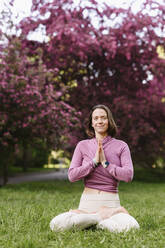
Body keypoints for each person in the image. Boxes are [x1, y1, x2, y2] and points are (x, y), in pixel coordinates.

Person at [50, 104, 140, 232]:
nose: (99, 121)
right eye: (96, 118)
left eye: (103, 118)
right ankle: (98, 218)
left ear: (109, 121)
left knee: (132, 227)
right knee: (56, 225)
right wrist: (93, 162)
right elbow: (72, 175)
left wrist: (105, 163)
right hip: (87, 204)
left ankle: (98, 221)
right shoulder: (82, 145)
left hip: (111, 203)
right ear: (91, 123)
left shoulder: (121, 146)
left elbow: (128, 175)